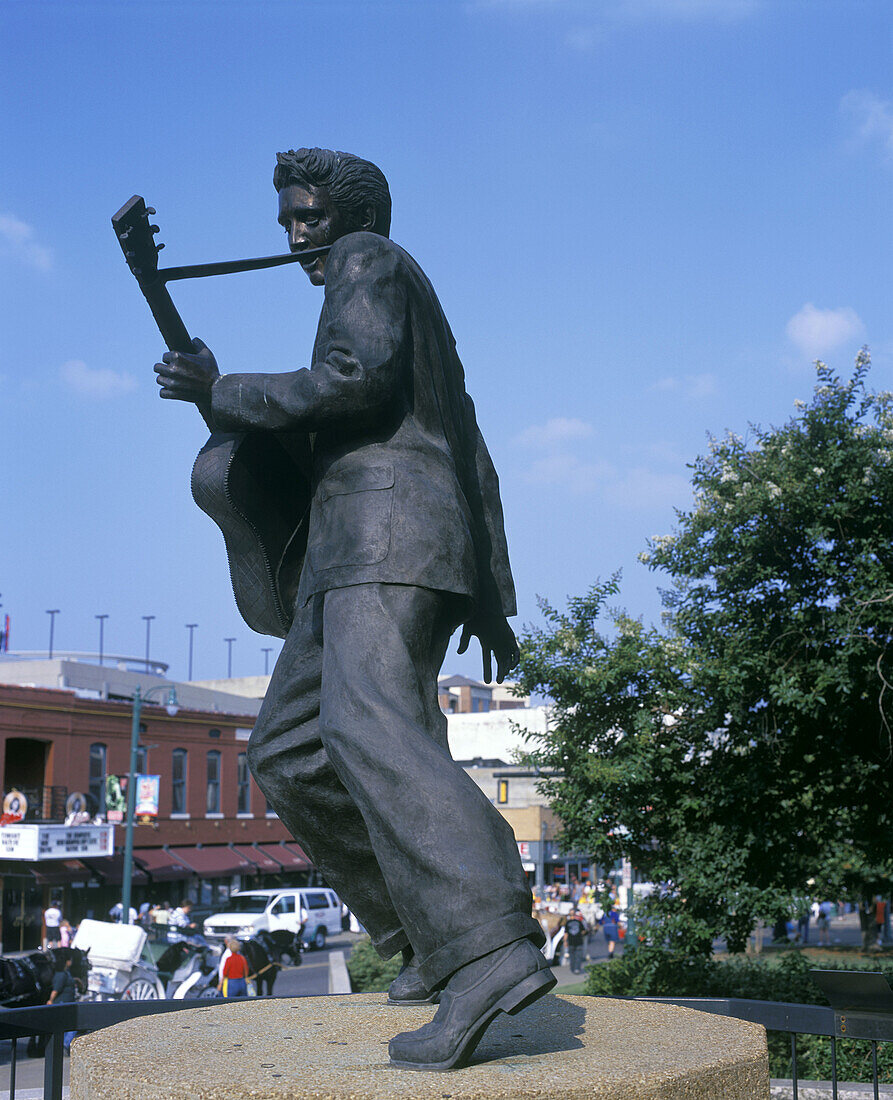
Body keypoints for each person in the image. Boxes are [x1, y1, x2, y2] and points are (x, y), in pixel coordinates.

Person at [154, 146, 551, 1071]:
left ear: (354, 218)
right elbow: (466, 441)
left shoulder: (369, 261)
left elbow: (351, 383)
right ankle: (423, 933)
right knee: (288, 751)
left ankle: (489, 949)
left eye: (310, 220)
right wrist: (491, 591)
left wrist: (224, 391)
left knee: (373, 730)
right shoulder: (381, 287)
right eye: (289, 222)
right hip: (348, 553)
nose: (298, 238)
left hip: (387, 537)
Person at [46, 956, 78, 1051]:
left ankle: (62, 1044)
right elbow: (56, 989)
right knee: (73, 1024)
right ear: (66, 962)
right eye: (70, 960)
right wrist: (51, 1000)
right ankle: (65, 1043)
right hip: (63, 1002)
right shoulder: (61, 975)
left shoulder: (66, 973)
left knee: (66, 1025)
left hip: (68, 1002)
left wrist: (76, 980)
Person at [563, 909, 589, 974]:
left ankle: (572, 968)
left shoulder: (567, 923)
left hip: (571, 941)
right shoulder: (579, 922)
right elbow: (583, 931)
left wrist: (565, 941)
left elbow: (566, 933)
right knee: (578, 956)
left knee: (572, 956)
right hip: (579, 941)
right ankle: (577, 969)